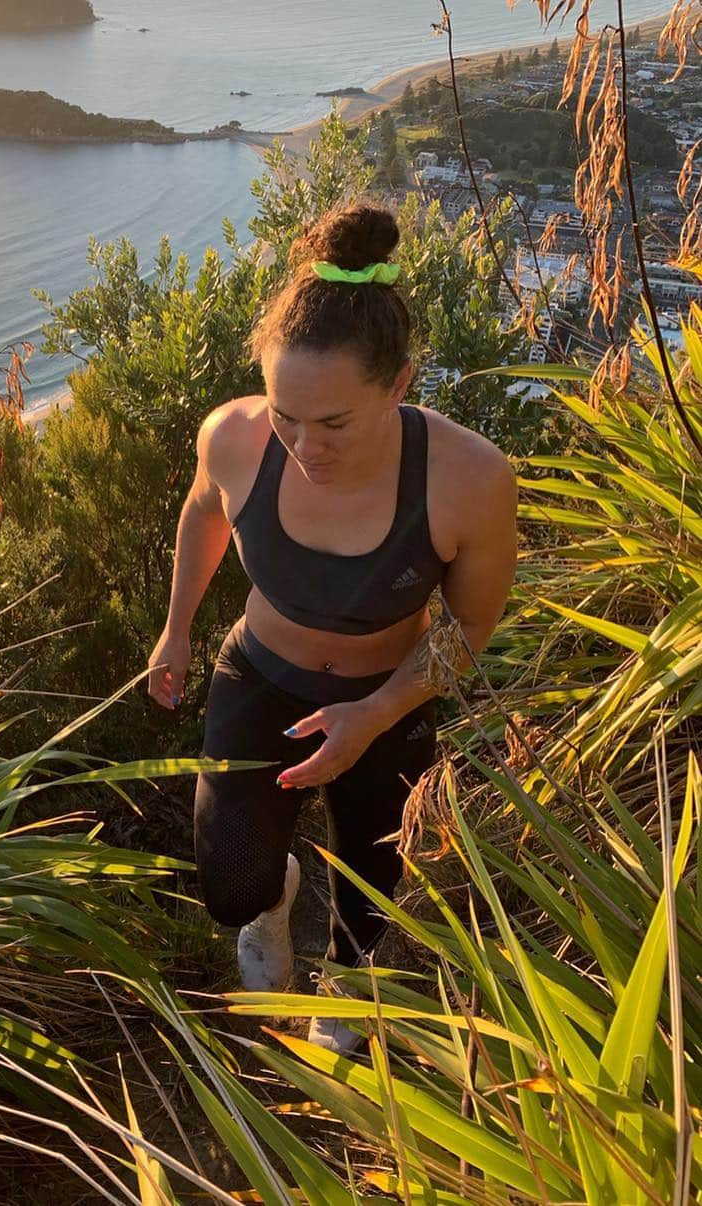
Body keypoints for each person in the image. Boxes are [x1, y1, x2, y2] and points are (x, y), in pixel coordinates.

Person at [146, 201, 518, 1054]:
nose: (305, 446)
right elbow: (204, 513)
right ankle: (275, 902)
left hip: (386, 699)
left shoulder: (468, 479)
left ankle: (346, 989)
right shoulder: (236, 438)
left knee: (373, 886)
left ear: (398, 383)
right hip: (260, 676)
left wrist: (376, 715)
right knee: (230, 887)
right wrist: (176, 630)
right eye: (287, 413)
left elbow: (468, 628)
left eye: (335, 422)